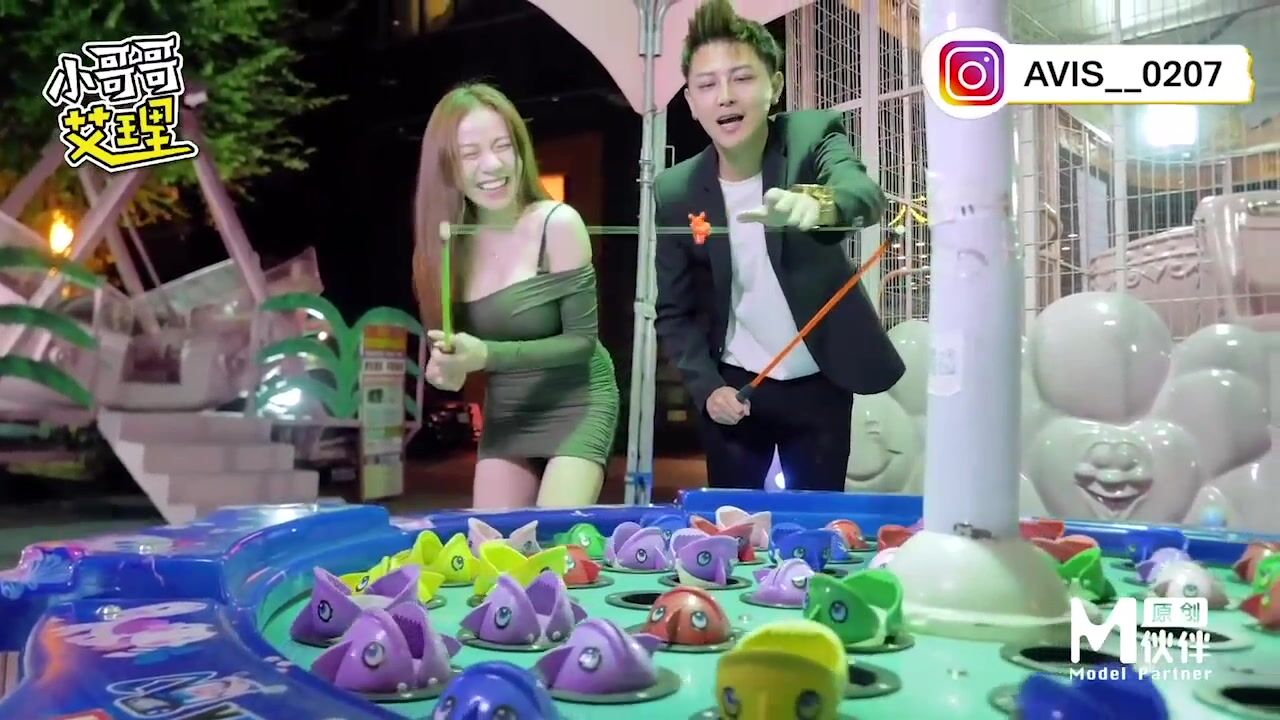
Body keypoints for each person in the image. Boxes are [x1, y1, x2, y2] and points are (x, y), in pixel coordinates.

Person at [654, 0, 905, 493]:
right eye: (707, 85)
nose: (725, 96)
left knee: (818, 523)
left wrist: (821, 205)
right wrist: (708, 389)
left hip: (820, 380)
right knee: (731, 525)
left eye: (742, 78)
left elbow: (862, 194)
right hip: (735, 385)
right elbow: (674, 311)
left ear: (775, 85)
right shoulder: (676, 190)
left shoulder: (811, 135)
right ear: (691, 102)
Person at [413, 83, 619, 509]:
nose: (492, 165)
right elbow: (454, 361)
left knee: (554, 532)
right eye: (470, 154)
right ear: (447, 168)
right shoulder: (445, 247)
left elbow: (581, 343)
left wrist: (485, 355)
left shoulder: (558, 224)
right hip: (509, 411)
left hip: (578, 400)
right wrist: (446, 370)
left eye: (502, 146)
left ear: (520, 150)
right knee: (492, 541)